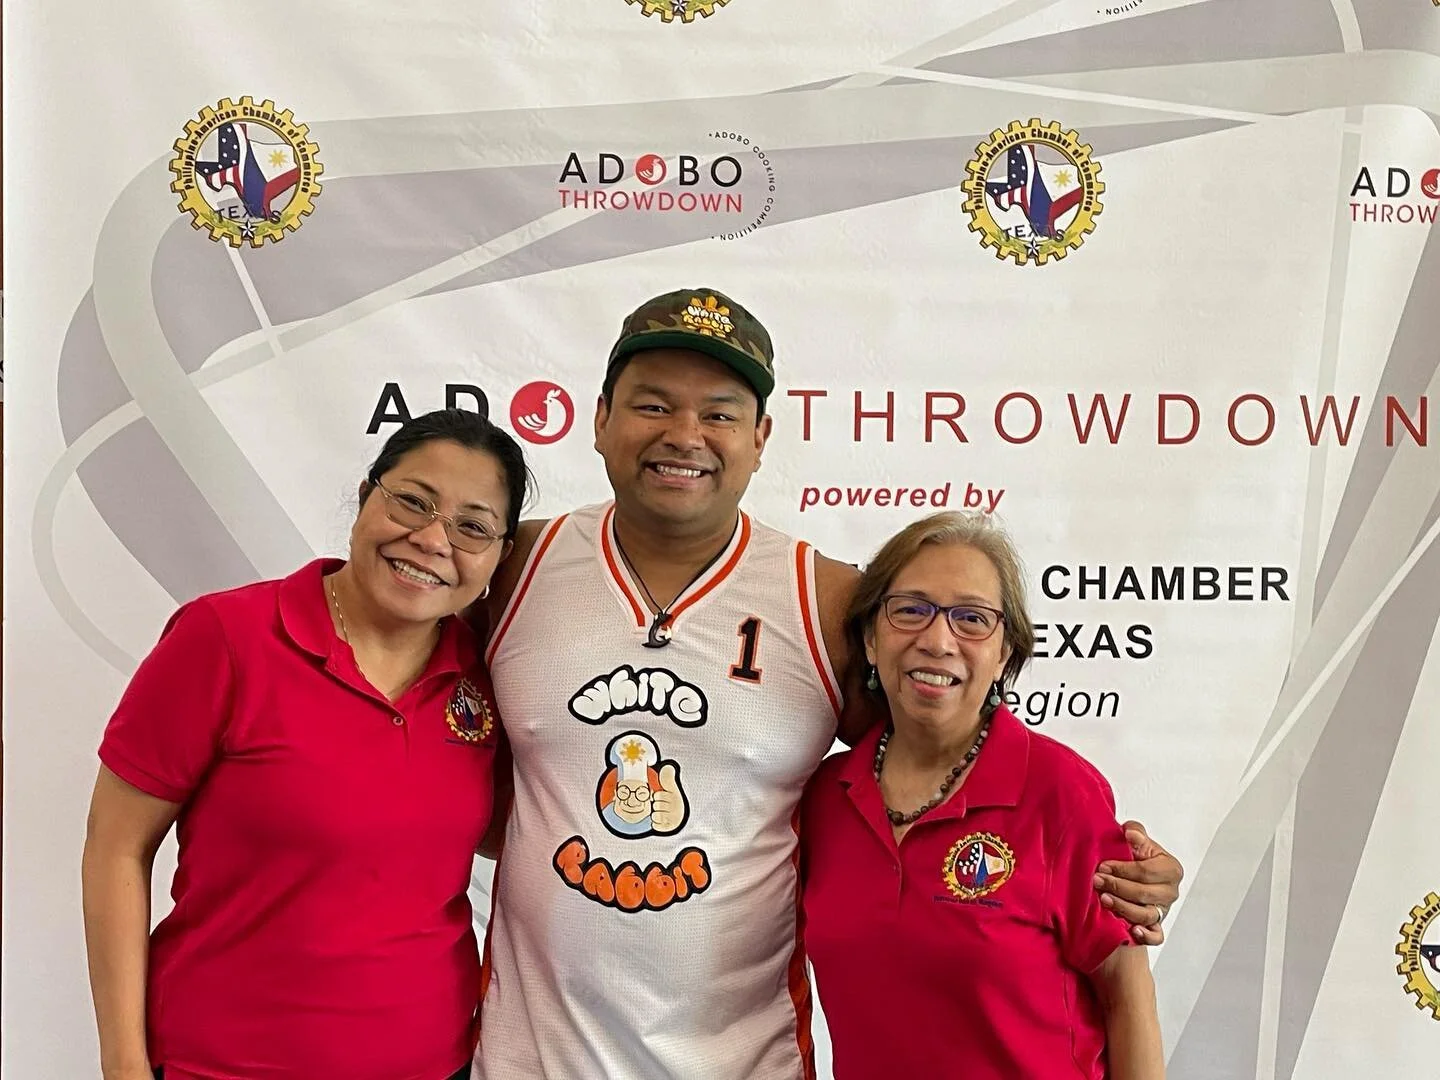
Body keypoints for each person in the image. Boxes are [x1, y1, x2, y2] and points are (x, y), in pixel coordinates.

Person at [471, 288, 1182, 1079]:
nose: (684, 436)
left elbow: (941, 758)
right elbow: (427, 752)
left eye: (719, 412)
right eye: (652, 405)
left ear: (761, 437)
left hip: (747, 1063)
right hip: (528, 1058)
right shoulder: (511, 568)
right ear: (600, 417)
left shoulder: (826, 598)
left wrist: (1112, 866)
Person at [81, 409, 531, 1080]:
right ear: (364, 497)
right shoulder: (227, 638)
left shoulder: (489, 672)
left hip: (435, 1064)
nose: (433, 539)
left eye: (472, 527)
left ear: (498, 556)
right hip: (223, 1063)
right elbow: (116, 844)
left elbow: (511, 829)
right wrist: (123, 1064)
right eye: (412, 501)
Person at [800, 512, 1165, 1079]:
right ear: (871, 639)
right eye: (910, 609)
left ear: (1003, 654)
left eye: (971, 618)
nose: (937, 640)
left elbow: (1127, 993)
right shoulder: (824, 798)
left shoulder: (1061, 791)